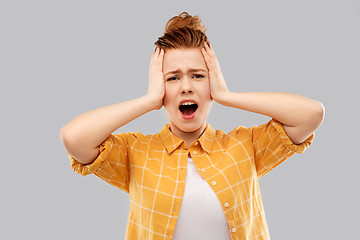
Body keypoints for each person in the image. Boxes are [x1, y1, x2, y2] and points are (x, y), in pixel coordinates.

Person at [60, 12, 325, 240]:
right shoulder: (136, 152)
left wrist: (227, 95)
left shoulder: (244, 146)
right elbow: (74, 138)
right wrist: (149, 100)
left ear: (212, 82)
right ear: (160, 86)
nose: (186, 86)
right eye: (173, 78)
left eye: (198, 75)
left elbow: (311, 114)